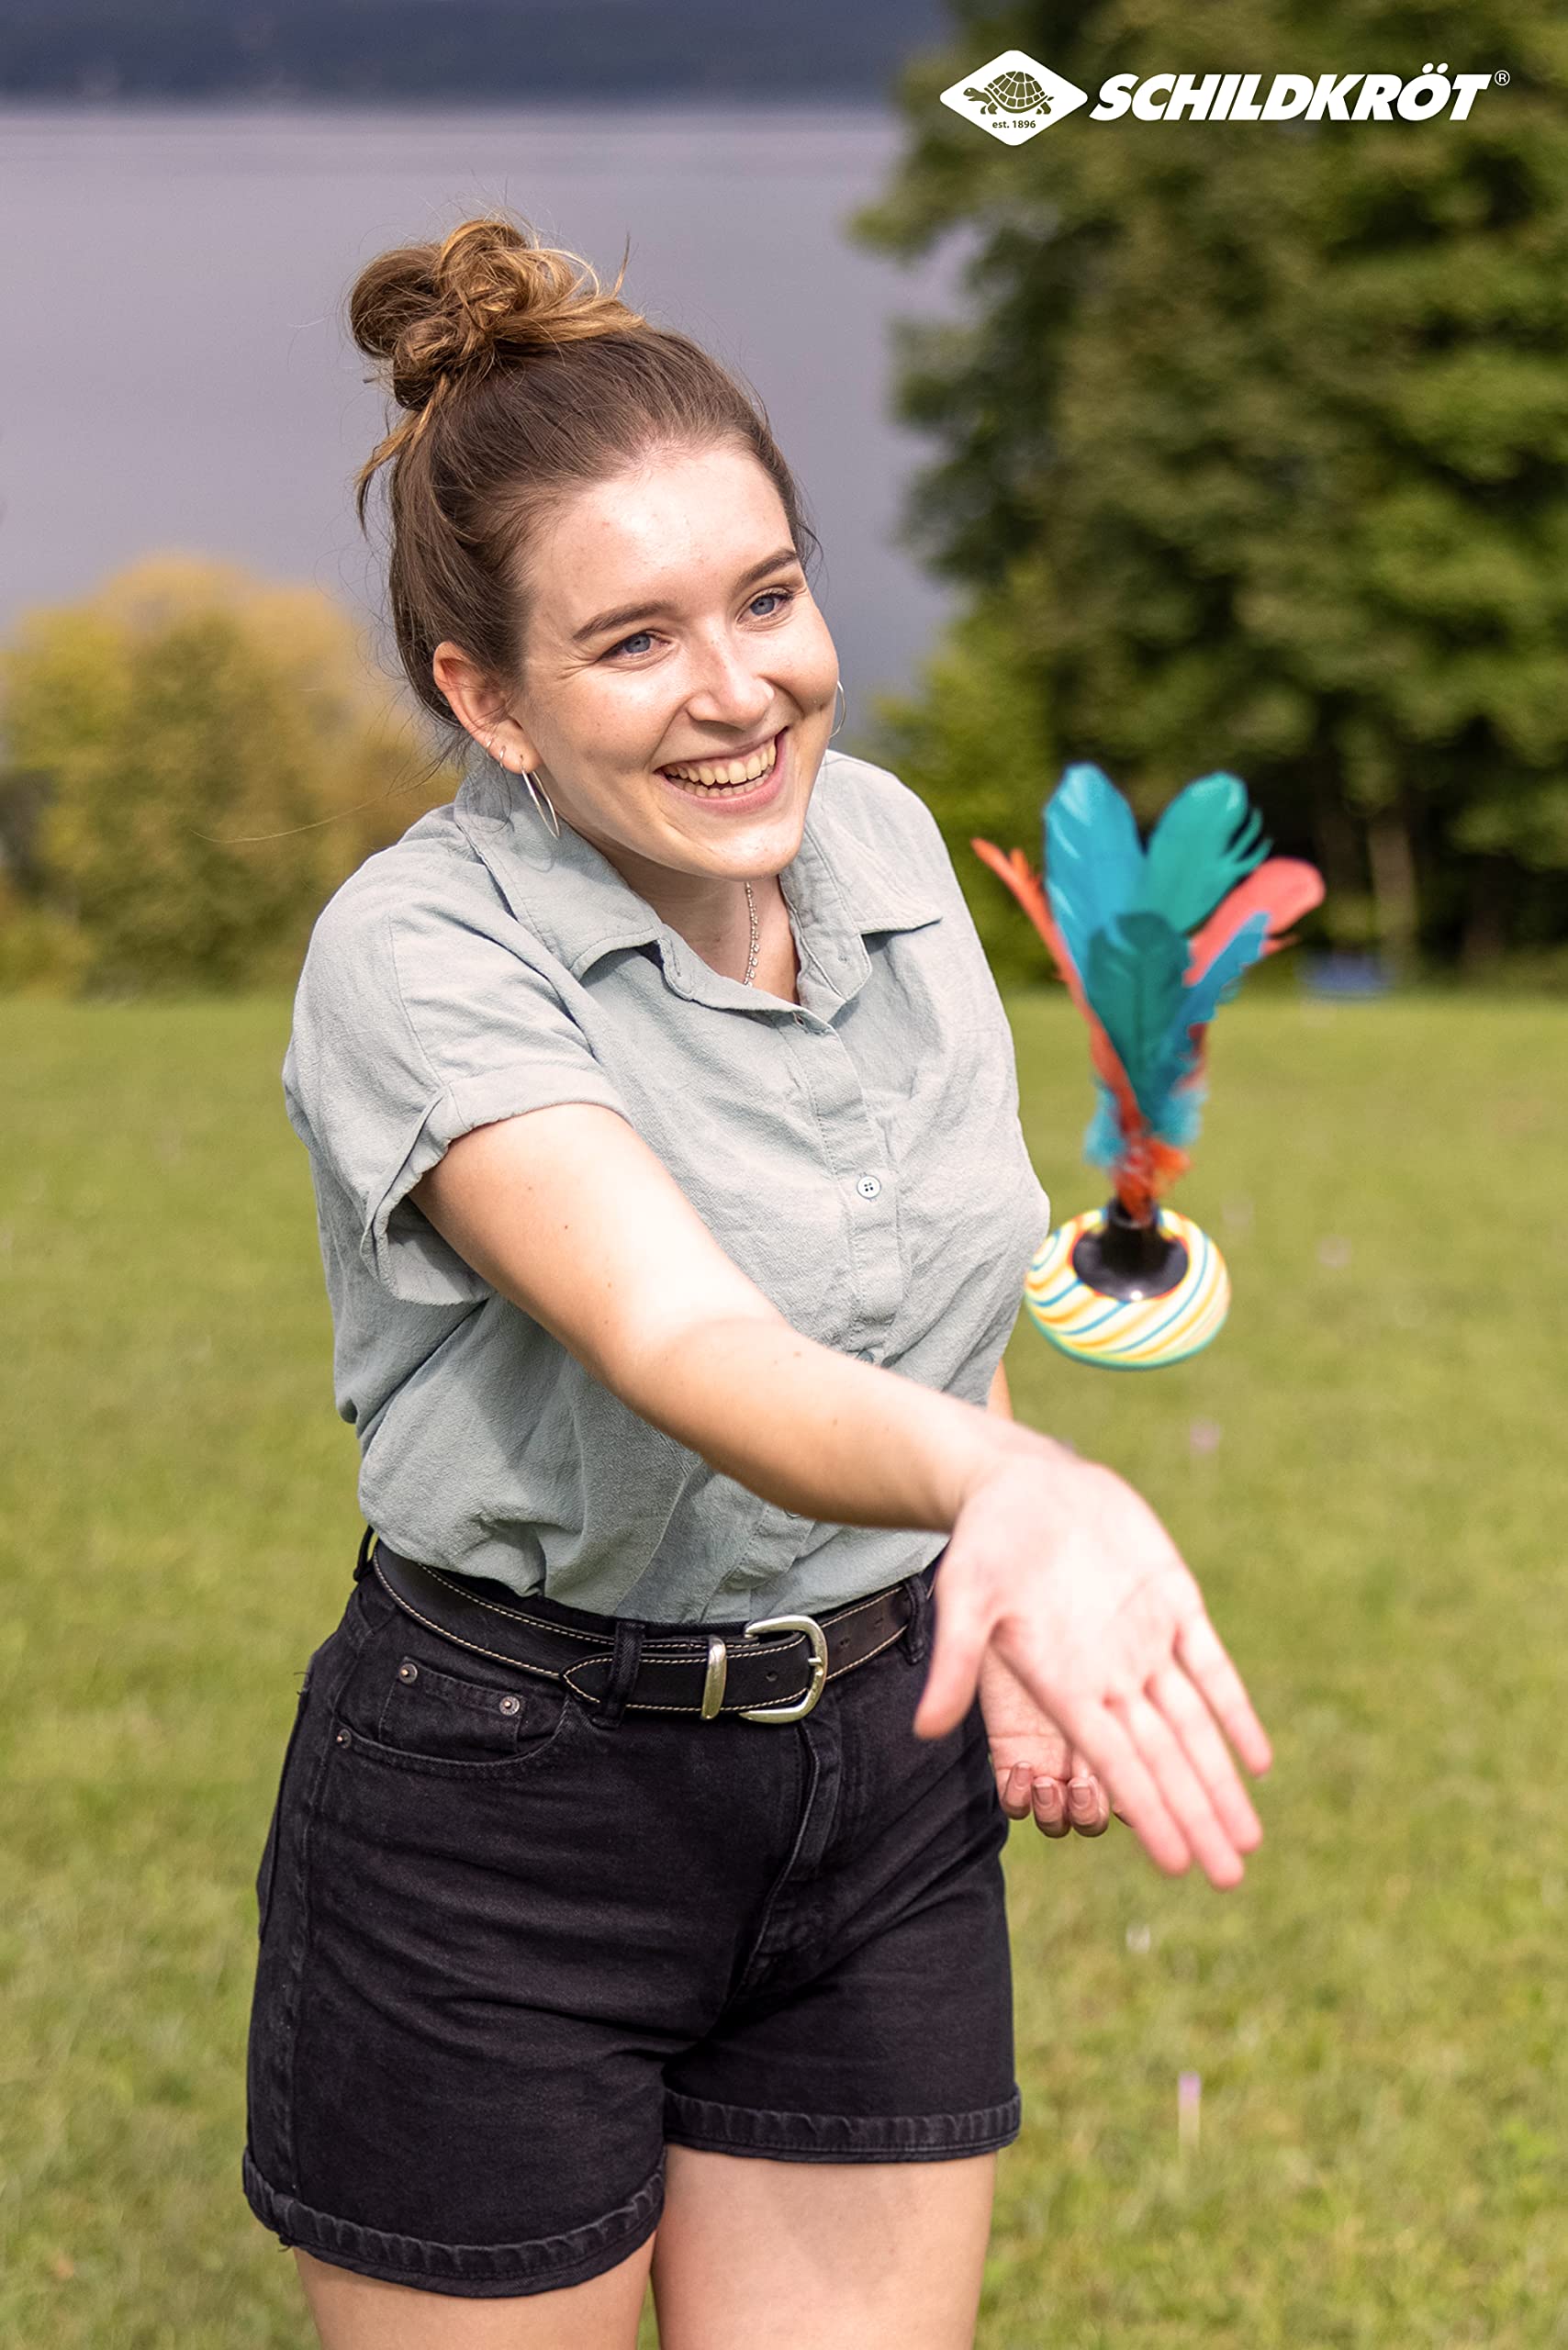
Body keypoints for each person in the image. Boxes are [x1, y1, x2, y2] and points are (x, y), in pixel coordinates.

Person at [241, 212, 1272, 2350]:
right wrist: (1022, 1499)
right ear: (484, 696)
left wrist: (986, 1585)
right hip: (513, 1799)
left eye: (770, 597)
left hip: (875, 1774)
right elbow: (680, 1331)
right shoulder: (421, 956)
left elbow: (935, 1298)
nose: (741, 691)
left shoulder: (877, 848)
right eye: (631, 641)